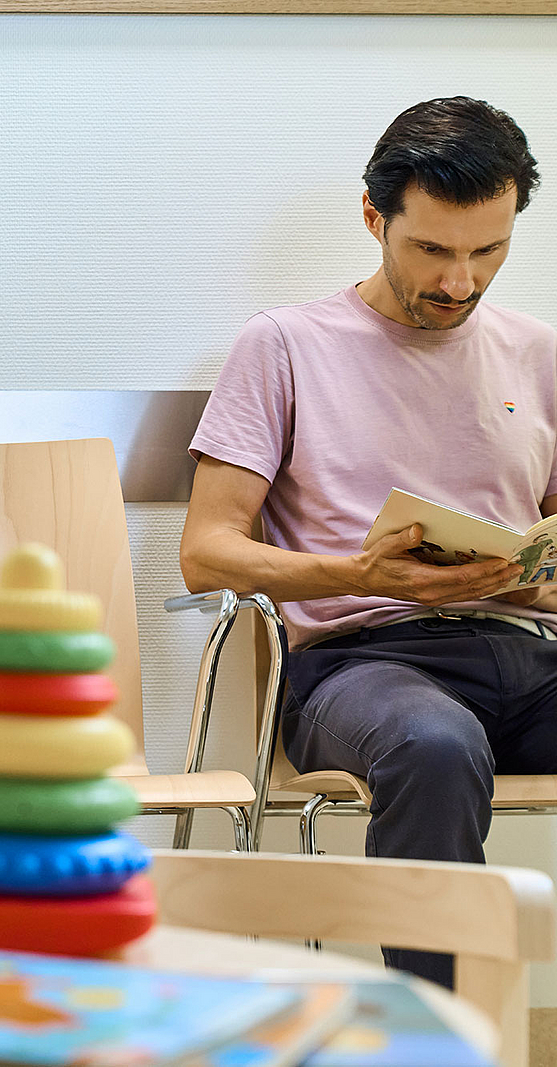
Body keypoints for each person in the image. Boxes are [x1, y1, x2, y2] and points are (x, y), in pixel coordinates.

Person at [181, 96, 557, 989]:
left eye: (488, 251)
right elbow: (206, 552)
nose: (459, 282)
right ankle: (443, 1028)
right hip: (359, 665)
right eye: (432, 250)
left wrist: (531, 579)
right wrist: (360, 572)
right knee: (433, 745)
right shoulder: (284, 345)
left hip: (525, 649)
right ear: (373, 216)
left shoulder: (538, 353)